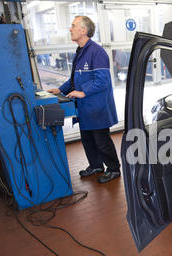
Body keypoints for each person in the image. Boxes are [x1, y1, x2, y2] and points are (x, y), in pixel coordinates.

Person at [47, 16, 120, 184]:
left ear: (83, 30)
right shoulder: (80, 51)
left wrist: (82, 92)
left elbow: (103, 81)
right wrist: (60, 90)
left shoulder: (97, 51)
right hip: (85, 107)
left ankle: (114, 168)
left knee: (102, 141)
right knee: (87, 139)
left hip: (97, 106)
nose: (70, 29)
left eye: (73, 26)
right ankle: (96, 166)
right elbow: (75, 78)